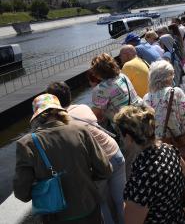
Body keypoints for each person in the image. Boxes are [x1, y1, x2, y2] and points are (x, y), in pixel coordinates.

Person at [14, 94, 112, 224]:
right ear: (60, 113)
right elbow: (105, 170)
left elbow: (22, 192)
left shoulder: (26, 144)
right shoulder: (81, 130)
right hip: (88, 208)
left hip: (55, 216)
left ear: (36, 118)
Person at [46, 82, 125, 224]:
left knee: (101, 204)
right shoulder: (83, 108)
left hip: (99, 164)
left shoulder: (61, 124)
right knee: (121, 201)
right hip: (115, 153)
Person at [114, 105, 185, 224]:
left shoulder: (141, 177)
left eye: (120, 135)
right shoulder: (169, 150)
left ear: (129, 137)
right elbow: (184, 173)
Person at [142, 60, 185, 221]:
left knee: (170, 180)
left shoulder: (147, 98)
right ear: (167, 77)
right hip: (179, 143)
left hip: (158, 147)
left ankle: (181, 212)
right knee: (184, 178)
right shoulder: (176, 92)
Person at [90, 53, 142, 128]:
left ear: (97, 73)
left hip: (125, 124)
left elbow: (96, 114)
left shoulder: (103, 88)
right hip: (138, 113)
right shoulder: (122, 76)